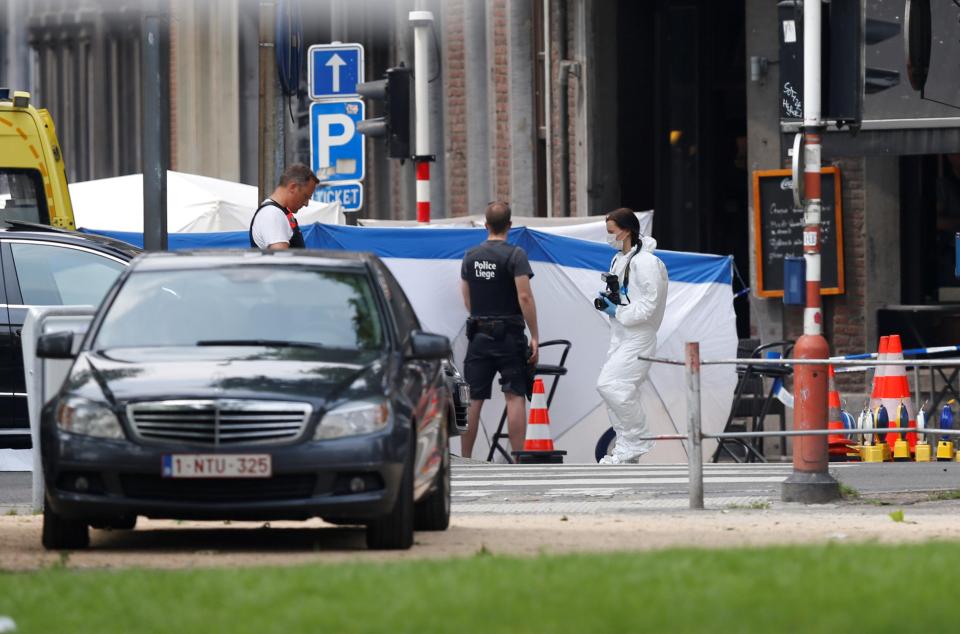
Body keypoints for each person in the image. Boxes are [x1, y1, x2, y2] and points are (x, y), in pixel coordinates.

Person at [459, 201, 539, 458]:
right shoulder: (515, 255)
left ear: (485, 226)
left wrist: (480, 316)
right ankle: (517, 458)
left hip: (479, 334)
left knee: (472, 398)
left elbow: (467, 298)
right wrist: (535, 335)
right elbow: (524, 297)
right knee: (514, 395)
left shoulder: (470, 256)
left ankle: (466, 459)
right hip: (509, 335)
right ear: (510, 226)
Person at [594, 207, 669, 464]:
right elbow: (627, 295)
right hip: (621, 333)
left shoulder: (646, 262)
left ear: (626, 231)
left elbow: (650, 305)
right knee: (616, 392)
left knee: (610, 385)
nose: (609, 237)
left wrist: (620, 310)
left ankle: (638, 438)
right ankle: (626, 448)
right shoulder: (618, 259)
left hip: (639, 336)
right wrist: (611, 304)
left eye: (611, 232)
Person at [249, 163, 319, 249]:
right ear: (293, 187)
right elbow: (281, 259)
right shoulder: (272, 214)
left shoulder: (280, 212)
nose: (306, 204)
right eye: (305, 196)